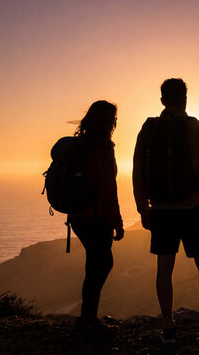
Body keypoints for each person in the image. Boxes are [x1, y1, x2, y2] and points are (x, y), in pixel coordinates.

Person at [133, 78, 199, 343]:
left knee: (164, 268)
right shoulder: (197, 128)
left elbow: (138, 173)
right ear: (185, 99)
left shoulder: (148, 130)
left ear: (162, 100)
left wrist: (143, 208)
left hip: (161, 211)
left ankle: (168, 329)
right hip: (194, 209)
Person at [68, 100, 124, 333]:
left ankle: (87, 317)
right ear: (109, 122)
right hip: (96, 217)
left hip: (77, 215)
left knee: (96, 263)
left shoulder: (79, 144)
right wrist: (117, 224)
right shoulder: (102, 148)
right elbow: (108, 190)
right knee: (100, 264)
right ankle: (88, 321)